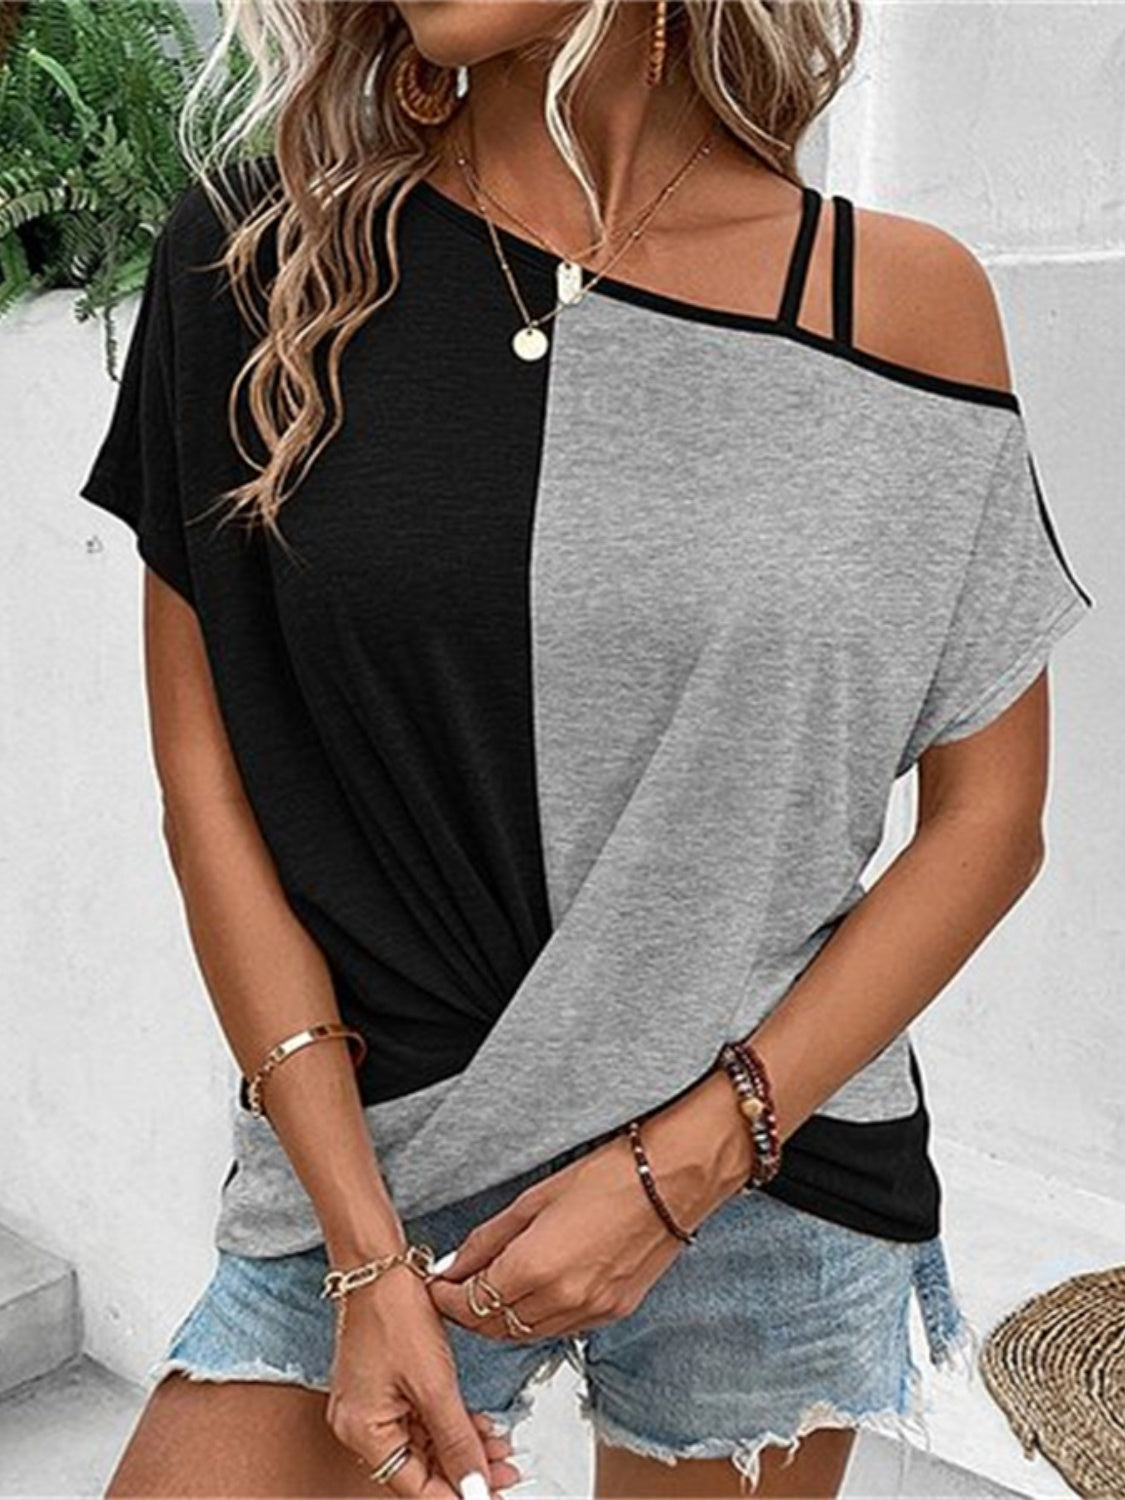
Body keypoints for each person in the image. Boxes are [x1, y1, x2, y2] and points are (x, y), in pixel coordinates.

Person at [79, 1, 1095, 1497]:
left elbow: (989, 819)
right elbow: (209, 789)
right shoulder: (262, 257)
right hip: (384, 1151)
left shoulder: (891, 301)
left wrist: (693, 1157)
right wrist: (360, 1259)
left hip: (761, 1152)